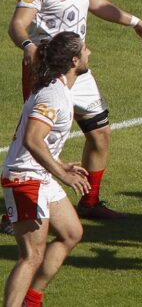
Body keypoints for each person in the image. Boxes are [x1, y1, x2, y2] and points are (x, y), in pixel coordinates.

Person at [8, 0, 142, 221]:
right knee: (39, 144)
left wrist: (135, 22)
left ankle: (89, 202)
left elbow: (97, 3)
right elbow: (17, 25)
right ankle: (15, 214)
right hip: (48, 75)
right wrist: (29, 47)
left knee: (100, 133)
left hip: (79, 70)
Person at [3, 32, 91, 307]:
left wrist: (60, 164)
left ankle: (32, 300)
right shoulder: (54, 95)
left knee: (71, 233)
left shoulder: (58, 89)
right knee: (31, 255)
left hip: (39, 175)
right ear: (74, 60)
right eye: (85, 50)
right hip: (24, 178)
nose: (90, 53)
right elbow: (32, 138)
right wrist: (62, 174)